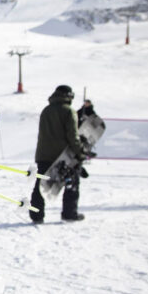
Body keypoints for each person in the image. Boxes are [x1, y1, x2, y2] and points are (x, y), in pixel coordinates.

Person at [29, 85, 86, 223]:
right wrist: (80, 152)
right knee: (71, 182)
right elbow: (73, 135)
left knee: (42, 184)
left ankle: (36, 214)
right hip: (62, 156)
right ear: (69, 96)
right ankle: (69, 213)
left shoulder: (46, 110)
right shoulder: (69, 111)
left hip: (43, 154)